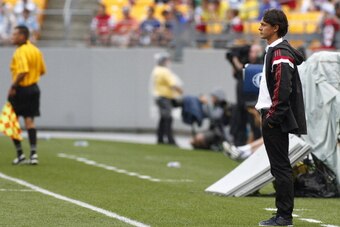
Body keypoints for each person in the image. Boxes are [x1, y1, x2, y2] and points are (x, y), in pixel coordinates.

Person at [255, 9, 306, 226]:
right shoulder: (274, 51)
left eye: (264, 24)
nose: (260, 27)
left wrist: (273, 117)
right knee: (279, 166)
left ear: (275, 28)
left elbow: (282, 89)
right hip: (271, 114)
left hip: (275, 116)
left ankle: (284, 216)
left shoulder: (280, 53)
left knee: (281, 167)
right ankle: (282, 214)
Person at [8, 25, 46, 165]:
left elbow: (23, 71)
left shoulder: (20, 51)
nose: (12, 37)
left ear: (22, 36)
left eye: (15, 35)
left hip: (21, 89)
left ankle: (20, 154)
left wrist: (13, 86)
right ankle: (34, 154)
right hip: (34, 88)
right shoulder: (36, 50)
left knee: (12, 120)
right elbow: (42, 70)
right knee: (30, 121)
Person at [151, 52, 183, 145]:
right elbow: (172, 84)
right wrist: (180, 90)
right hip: (164, 97)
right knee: (168, 118)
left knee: (163, 118)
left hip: (159, 97)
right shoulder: (164, 71)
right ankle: (170, 139)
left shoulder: (156, 70)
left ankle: (160, 138)